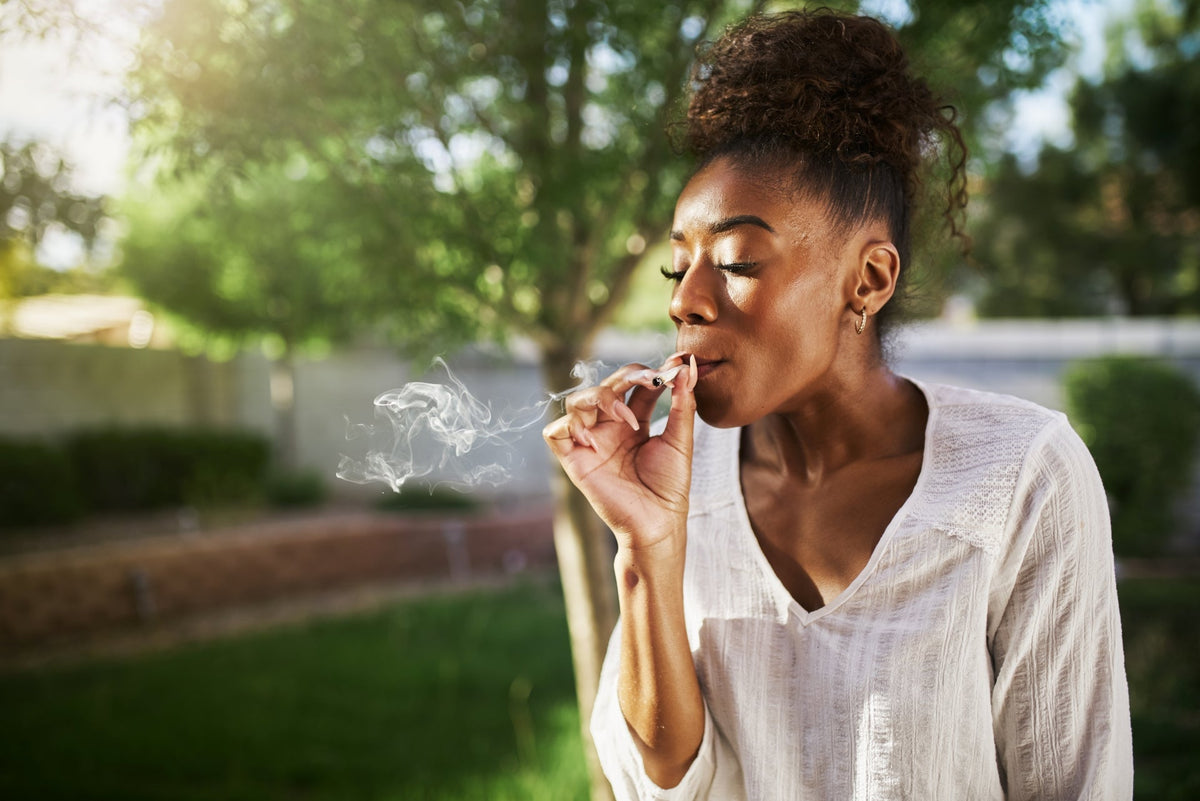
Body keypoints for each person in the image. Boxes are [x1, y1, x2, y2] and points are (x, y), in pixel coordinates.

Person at [543, 8, 1133, 800]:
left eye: (739, 260)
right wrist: (648, 545)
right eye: (676, 269)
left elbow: (1077, 781)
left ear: (869, 280)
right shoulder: (679, 480)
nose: (686, 300)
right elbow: (666, 779)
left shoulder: (1021, 477)